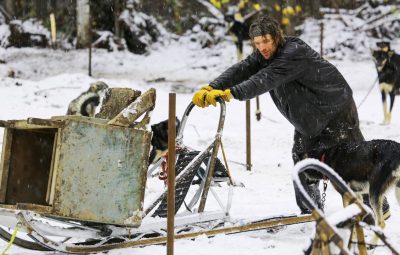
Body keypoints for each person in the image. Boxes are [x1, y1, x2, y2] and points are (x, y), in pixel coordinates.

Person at [191, 15, 384, 215]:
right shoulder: (263, 56)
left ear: (276, 37)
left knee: (353, 161)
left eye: (266, 41)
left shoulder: (293, 52)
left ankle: (375, 210)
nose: (262, 47)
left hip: (336, 110)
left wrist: (230, 93)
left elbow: (265, 79)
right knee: (302, 160)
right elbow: (242, 69)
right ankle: (311, 211)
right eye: (257, 43)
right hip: (309, 118)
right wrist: (212, 86)